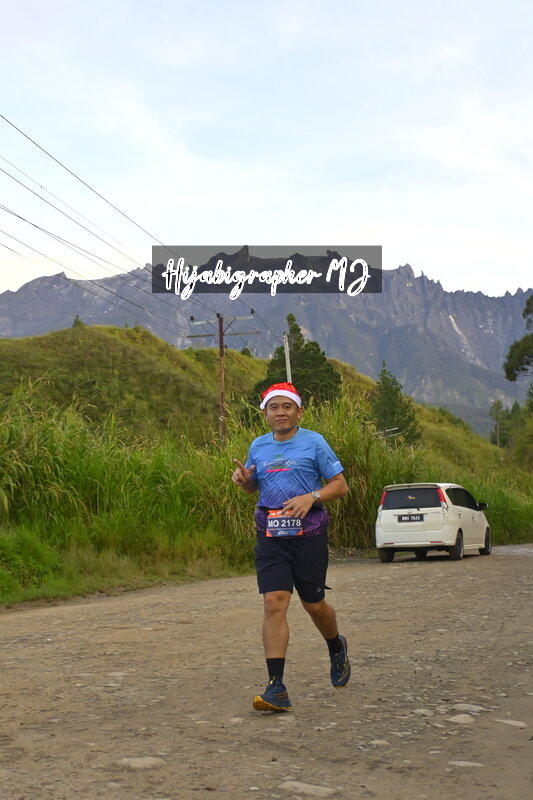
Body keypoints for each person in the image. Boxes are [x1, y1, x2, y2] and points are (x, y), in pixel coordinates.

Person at [232, 381, 350, 712]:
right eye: (274, 407)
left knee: (314, 605)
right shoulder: (258, 446)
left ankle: (335, 645)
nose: (280, 412)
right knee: (274, 602)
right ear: (265, 414)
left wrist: (310, 497)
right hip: (271, 534)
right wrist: (245, 481)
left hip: (309, 534)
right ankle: (276, 687)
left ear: (299, 411)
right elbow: (254, 486)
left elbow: (340, 486)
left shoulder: (314, 442)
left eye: (287, 406)